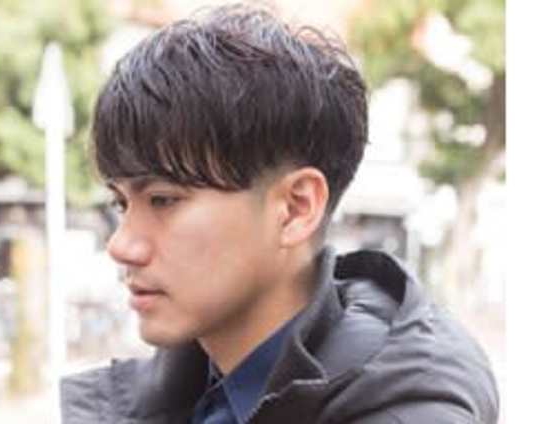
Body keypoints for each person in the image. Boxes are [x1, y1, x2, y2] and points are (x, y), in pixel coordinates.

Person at [60, 4, 499, 423]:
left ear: (295, 208)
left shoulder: (409, 409)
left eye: (162, 200)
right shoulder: (183, 392)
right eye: (121, 203)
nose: (121, 245)